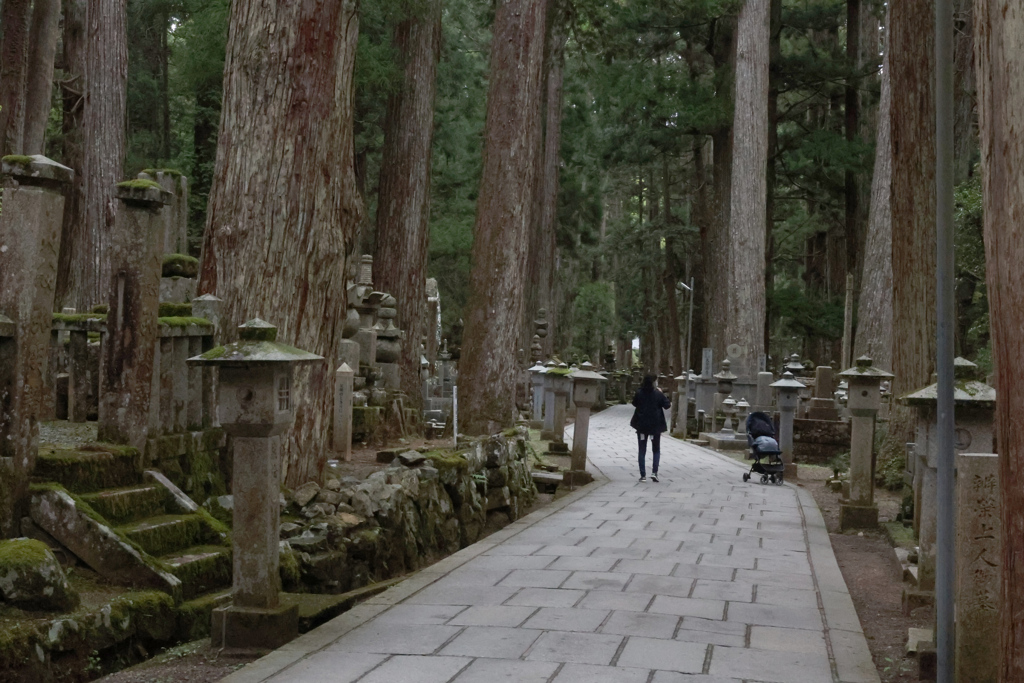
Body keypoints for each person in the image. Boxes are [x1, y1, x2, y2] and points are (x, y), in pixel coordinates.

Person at [630, 374, 671, 482]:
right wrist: (662, 393)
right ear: (654, 382)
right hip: (655, 426)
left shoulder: (639, 393)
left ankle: (643, 475)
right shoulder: (658, 394)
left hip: (641, 425)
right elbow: (667, 405)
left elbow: (634, 403)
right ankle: (654, 473)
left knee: (642, 450)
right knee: (656, 449)